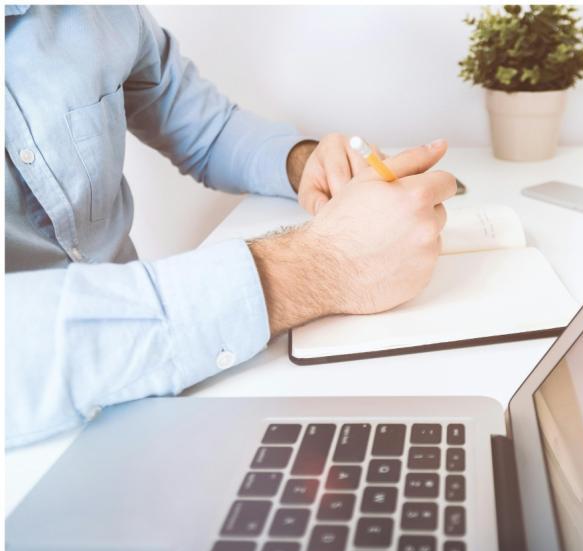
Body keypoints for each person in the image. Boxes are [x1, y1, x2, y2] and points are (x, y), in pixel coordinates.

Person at [5, 5, 456, 448]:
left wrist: (304, 163)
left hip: (157, 394)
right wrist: (323, 263)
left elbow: (208, 130)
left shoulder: (103, 14)